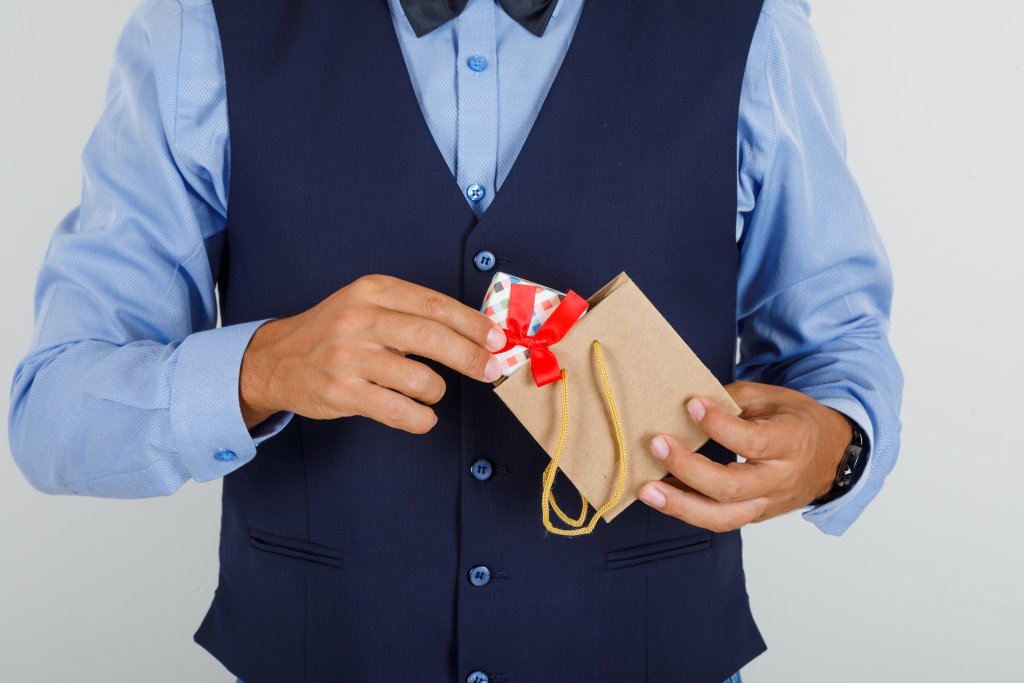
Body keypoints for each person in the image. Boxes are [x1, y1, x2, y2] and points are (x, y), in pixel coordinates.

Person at [8, 0, 903, 681]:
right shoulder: (200, 28)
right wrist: (258, 367)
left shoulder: (750, 25)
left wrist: (836, 450)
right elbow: (48, 411)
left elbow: (840, 340)